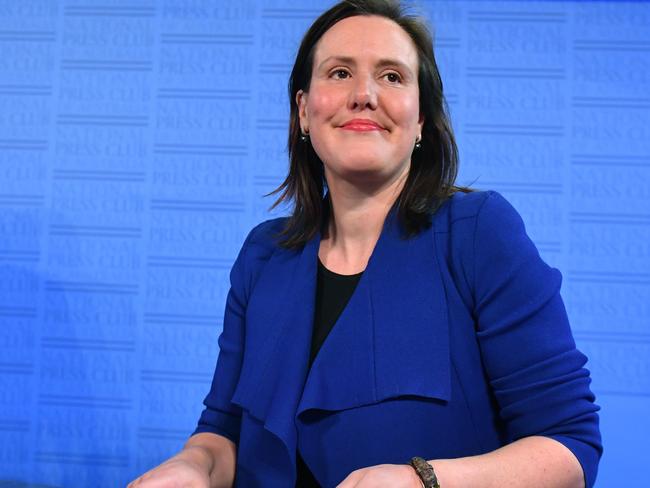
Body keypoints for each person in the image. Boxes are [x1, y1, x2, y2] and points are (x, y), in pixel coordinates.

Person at [128, 1, 602, 487]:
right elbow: (221, 432)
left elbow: (569, 446)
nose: (364, 94)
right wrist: (193, 466)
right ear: (304, 111)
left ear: (421, 120)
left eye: (393, 77)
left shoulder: (478, 232)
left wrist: (424, 482)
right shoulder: (262, 254)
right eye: (338, 73)